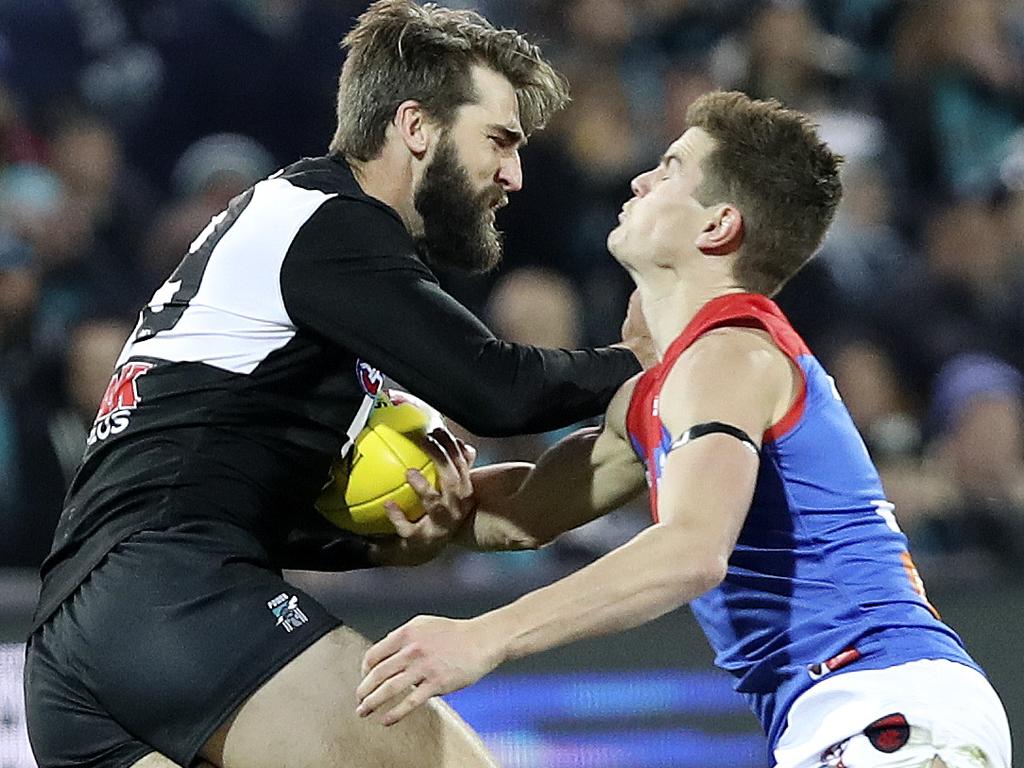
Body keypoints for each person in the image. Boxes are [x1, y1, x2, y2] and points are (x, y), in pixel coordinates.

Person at [22, 3, 649, 768]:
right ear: (416, 127)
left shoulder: (289, 247)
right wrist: (652, 358)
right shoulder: (328, 224)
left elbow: (223, 479)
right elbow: (500, 391)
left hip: (82, 650)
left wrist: (378, 543)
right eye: (500, 140)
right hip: (173, 597)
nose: (515, 174)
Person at [356, 91, 1013, 768]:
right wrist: (419, 500)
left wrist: (486, 637)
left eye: (670, 168)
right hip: (862, 716)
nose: (640, 179)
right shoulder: (665, 389)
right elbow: (523, 515)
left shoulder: (731, 354)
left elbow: (692, 551)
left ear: (718, 226)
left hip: (883, 706)